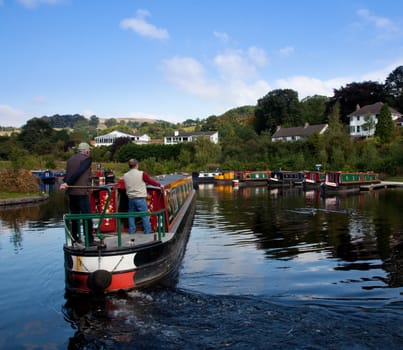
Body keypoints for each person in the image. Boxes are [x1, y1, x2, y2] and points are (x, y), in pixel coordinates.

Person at [60, 142, 95, 244]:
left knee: (74, 217)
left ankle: (75, 238)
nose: (89, 153)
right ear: (87, 151)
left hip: (71, 193)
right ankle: (89, 240)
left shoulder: (70, 160)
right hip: (81, 192)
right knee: (87, 216)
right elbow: (79, 172)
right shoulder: (87, 159)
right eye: (89, 151)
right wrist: (67, 183)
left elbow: (68, 174)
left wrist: (66, 183)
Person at [123, 159, 163, 234]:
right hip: (140, 198)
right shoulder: (142, 174)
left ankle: (132, 230)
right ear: (137, 165)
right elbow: (150, 181)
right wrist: (159, 185)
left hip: (131, 198)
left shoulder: (125, 175)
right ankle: (147, 231)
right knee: (144, 214)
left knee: (131, 215)